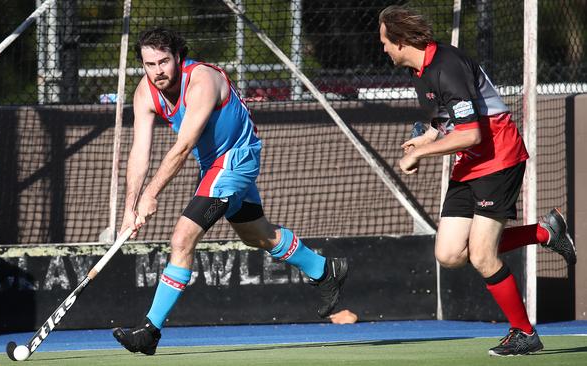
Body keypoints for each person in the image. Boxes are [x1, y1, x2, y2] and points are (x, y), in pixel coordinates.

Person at [111, 27, 348, 356]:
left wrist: (151, 195)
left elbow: (184, 146)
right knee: (258, 235)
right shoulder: (144, 93)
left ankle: (150, 331)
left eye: (164, 62)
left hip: (236, 160)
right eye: (149, 64)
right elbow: (140, 153)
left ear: (179, 57)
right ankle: (324, 270)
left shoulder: (202, 80)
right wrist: (128, 210)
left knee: (182, 238)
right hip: (213, 167)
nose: (158, 71)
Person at [378, 5, 576, 357]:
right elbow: (449, 120)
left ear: (402, 40)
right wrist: (427, 137)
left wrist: (419, 155)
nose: (383, 49)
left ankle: (524, 332)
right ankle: (544, 233)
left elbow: (471, 134)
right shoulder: (420, 71)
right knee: (451, 253)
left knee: (483, 255)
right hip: (468, 165)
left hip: (498, 158)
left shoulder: (447, 67)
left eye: (385, 42)